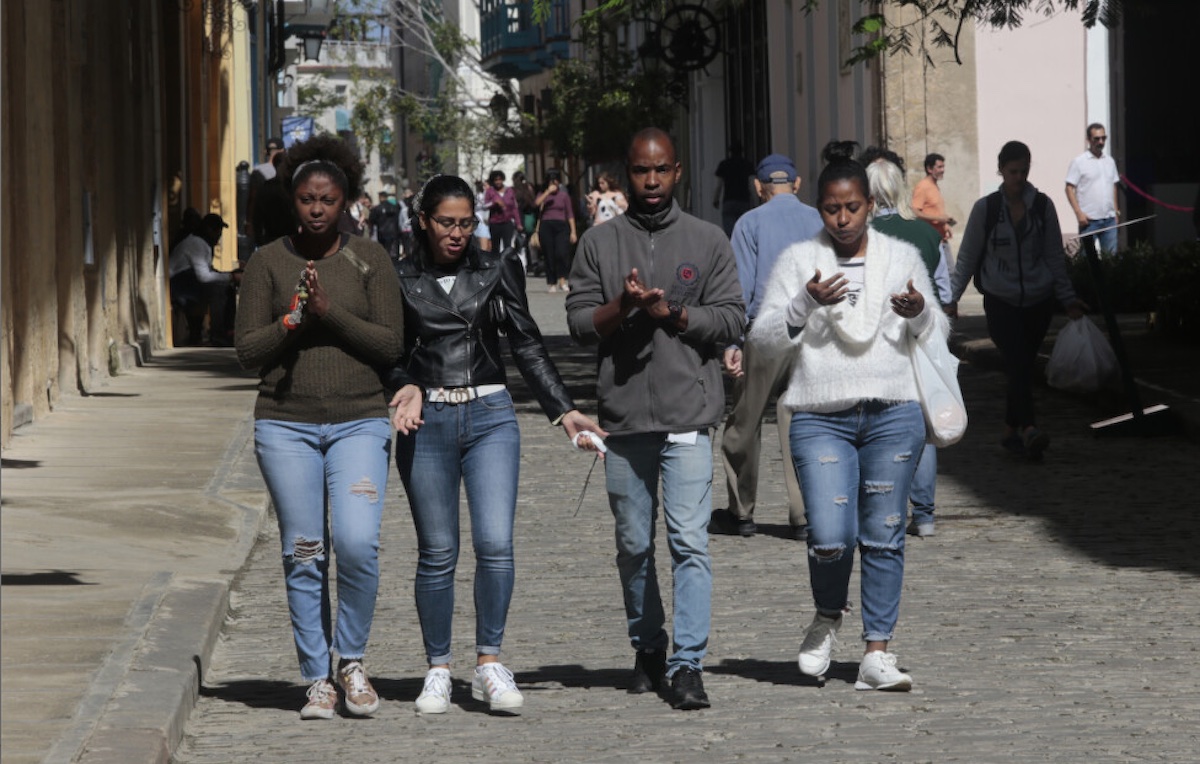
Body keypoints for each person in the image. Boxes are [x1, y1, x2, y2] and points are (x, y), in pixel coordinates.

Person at [384, 174, 604, 715]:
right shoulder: (398, 276)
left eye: (466, 222)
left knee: (495, 543)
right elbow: (384, 349)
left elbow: (527, 345)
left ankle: (489, 662)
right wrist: (401, 384)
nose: (458, 233)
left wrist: (564, 410)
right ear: (424, 223)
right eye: (447, 223)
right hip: (426, 419)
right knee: (437, 553)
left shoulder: (495, 269)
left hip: (490, 416)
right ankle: (437, 668)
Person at [751, 140, 950, 692]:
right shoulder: (799, 261)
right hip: (820, 416)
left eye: (852, 207)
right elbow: (763, 341)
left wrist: (917, 315)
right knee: (831, 534)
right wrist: (802, 304)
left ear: (869, 204)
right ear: (819, 208)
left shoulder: (900, 258)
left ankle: (877, 653)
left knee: (885, 533)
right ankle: (827, 614)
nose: (842, 218)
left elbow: (939, 333)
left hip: (893, 414)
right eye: (832, 208)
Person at [566, 128, 745, 711]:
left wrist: (673, 313)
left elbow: (730, 319)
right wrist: (626, 306)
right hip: (622, 419)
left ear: (678, 172)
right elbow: (576, 321)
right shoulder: (600, 242)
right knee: (632, 545)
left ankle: (688, 663)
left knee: (689, 541)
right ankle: (648, 647)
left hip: (688, 415)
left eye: (661, 170)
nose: (650, 181)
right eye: (641, 171)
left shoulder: (708, 239)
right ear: (627, 172)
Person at [234, 134, 405, 720]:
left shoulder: (370, 259)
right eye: (306, 198)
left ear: (347, 202)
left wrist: (331, 314)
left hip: (359, 422)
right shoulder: (266, 263)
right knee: (304, 552)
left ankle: (351, 661)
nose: (315, 209)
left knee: (357, 544)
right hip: (286, 427)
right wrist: (294, 320)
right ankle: (317, 679)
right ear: (292, 199)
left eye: (327, 200)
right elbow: (247, 351)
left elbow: (389, 343)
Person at [949, 140, 1086, 459]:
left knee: (1021, 364)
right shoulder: (987, 209)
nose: (1019, 177)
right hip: (1001, 299)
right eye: (1013, 171)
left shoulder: (1043, 206)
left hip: (1038, 300)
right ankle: (1029, 428)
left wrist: (1068, 299)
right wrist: (951, 299)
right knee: (1017, 360)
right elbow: (967, 257)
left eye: (1024, 171)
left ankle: (1011, 429)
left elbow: (1054, 256)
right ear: (1001, 170)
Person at [711, 153, 822, 541]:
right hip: (812, 329)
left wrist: (732, 340)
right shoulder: (818, 219)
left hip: (766, 327)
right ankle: (805, 514)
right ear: (798, 183)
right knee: (803, 421)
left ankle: (741, 511)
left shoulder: (749, 222)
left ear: (759, 188)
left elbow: (739, 288)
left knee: (745, 420)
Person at [863, 150, 952, 539]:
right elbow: (944, 290)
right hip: (920, 334)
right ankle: (926, 514)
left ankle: (886, 507)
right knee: (922, 423)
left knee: (876, 423)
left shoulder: (861, 237)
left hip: (875, 340)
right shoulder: (928, 234)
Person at [169, 212, 239, 346]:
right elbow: (204, 276)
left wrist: (229, 276)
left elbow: (207, 271)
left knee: (225, 285)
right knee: (219, 289)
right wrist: (231, 276)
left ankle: (227, 330)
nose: (219, 235)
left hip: (186, 280)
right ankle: (219, 334)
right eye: (217, 230)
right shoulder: (197, 244)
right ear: (209, 230)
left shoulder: (201, 243)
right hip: (178, 283)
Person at [1065, 123, 1121, 255]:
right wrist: (1078, 213)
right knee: (1087, 261)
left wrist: (1116, 211)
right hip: (1089, 221)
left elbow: (1113, 186)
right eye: (1097, 138)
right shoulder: (1079, 162)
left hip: (1109, 220)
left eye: (1103, 138)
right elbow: (1068, 188)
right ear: (1089, 140)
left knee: (1111, 260)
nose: (1101, 142)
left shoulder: (1110, 161)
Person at [534, 169, 577, 292]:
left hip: (561, 226)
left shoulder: (564, 195)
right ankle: (551, 282)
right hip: (546, 225)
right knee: (549, 255)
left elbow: (570, 214)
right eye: (551, 180)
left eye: (556, 180)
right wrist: (547, 192)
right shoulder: (543, 193)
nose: (554, 182)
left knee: (562, 253)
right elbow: (536, 203)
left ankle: (563, 280)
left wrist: (573, 231)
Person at [912, 153, 957, 263]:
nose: (943, 170)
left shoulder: (934, 186)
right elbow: (915, 212)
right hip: (931, 240)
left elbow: (934, 210)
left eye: (943, 167)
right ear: (929, 169)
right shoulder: (923, 187)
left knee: (949, 275)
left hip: (941, 239)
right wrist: (939, 219)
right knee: (948, 275)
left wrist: (945, 225)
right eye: (939, 167)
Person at [712, 141, 756, 236]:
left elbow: (718, 185)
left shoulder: (724, 164)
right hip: (744, 201)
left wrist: (715, 199)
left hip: (729, 201)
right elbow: (752, 185)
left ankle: (732, 249)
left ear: (730, 152)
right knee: (744, 232)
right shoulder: (747, 164)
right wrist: (755, 202)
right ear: (742, 151)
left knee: (730, 233)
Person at [483, 170, 521, 253]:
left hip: (507, 223)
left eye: (500, 179)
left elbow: (514, 207)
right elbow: (485, 205)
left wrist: (518, 223)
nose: (498, 182)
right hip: (495, 223)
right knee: (495, 247)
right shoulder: (490, 191)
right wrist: (494, 203)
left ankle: (507, 264)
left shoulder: (510, 190)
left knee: (508, 247)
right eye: (496, 180)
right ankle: (496, 265)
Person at [368, 191, 402, 260]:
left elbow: (372, 220)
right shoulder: (394, 207)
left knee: (383, 252)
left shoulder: (377, 208)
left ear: (380, 197)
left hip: (382, 232)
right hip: (394, 232)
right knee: (393, 252)